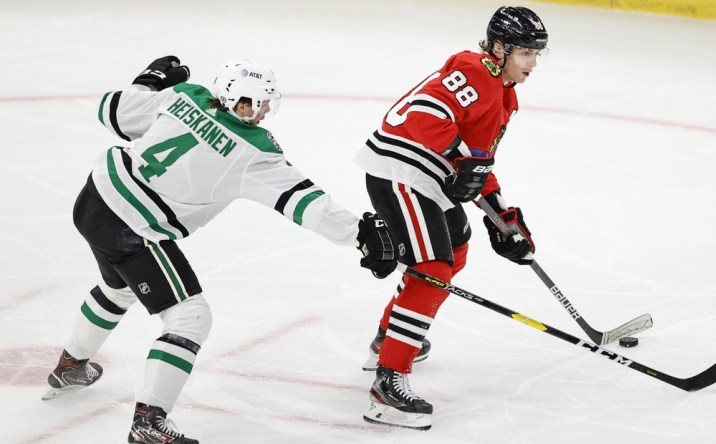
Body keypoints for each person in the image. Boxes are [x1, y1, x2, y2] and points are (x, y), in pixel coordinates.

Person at [42, 56, 398, 444]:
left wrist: (149, 82)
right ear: (242, 103)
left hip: (94, 199)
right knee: (190, 317)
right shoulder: (253, 149)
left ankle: (69, 367)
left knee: (119, 288)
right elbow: (304, 203)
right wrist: (360, 233)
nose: (264, 112)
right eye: (261, 103)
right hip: (134, 227)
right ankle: (148, 421)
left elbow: (112, 112)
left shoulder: (185, 95)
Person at [354, 6, 548, 430]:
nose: (533, 63)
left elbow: (478, 161)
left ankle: (390, 337)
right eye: (525, 54)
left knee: (455, 247)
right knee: (432, 267)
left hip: (426, 176)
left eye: (537, 54)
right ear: (499, 48)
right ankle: (387, 386)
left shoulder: (505, 94)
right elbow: (425, 115)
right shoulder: (473, 69)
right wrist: (459, 160)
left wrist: (504, 218)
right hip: (400, 171)